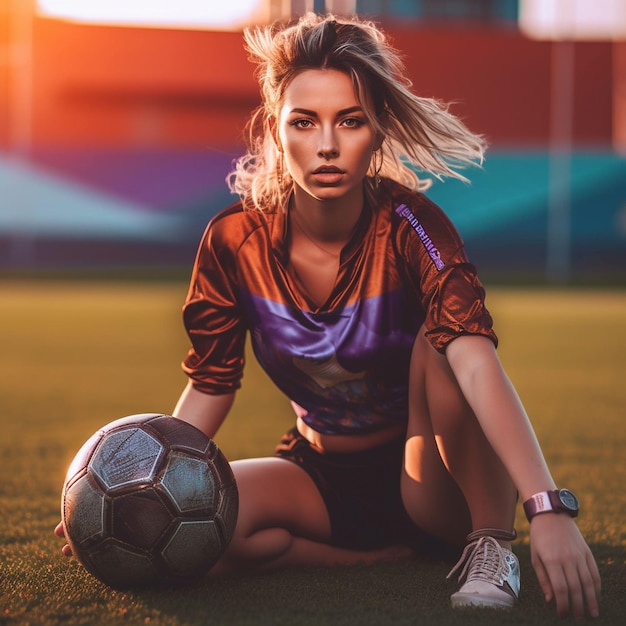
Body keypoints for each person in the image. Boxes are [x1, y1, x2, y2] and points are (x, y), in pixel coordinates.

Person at [56, 12, 600, 618]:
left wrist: (546, 507)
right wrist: (129, 490)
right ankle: (372, 558)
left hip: (427, 476)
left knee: (441, 344)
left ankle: (489, 541)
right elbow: (211, 383)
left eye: (350, 120)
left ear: (378, 129)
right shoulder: (233, 242)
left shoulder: (414, 229)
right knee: (210, 529)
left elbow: (476, 365)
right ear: (275, 128)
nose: (327, 146)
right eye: (304, 121)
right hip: (317, 474)